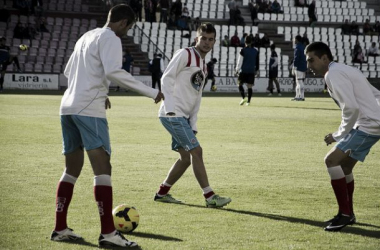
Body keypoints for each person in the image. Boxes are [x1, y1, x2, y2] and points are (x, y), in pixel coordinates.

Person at [51, 4, 164, 248]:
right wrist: (151, 91)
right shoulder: (111, 37)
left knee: (71, 169)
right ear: (124, 23)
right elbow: (114, 71)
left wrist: (100, 91)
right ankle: (108, 234)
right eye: (129, 27)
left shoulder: (87, 36)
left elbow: (69, 71)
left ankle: (60, 228)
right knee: (103, 168)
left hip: (67, 107)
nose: (127, 31)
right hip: (88, 111)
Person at [154, 22, 231, 208]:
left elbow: (197, 97)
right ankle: (209, 196)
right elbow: (166, 77)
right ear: (196, 38)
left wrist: (193, 123)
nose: (206, 42)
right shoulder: (185, 54)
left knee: (185, 159)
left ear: (214, 42)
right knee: (197, 152)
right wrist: (170, 108)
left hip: (183, 117)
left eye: (210, 39)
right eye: (203, 38)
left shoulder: (204, 67)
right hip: (173, 114)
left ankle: (162, 193)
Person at [305, 41, 380, 232]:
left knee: (331, 161)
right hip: (369, 123)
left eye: (311, 60)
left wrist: (338, 134)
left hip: (367, 125)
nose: (309, 66)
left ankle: (345, 215)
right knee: (344, 166)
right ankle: (349, 213)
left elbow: (352, 108)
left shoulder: (334, 73)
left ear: (324, 58)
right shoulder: (343, 69)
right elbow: (375, 93)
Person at [235, 35, 259, 106]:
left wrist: (237, 69)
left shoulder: (242, 50)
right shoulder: (255, 51)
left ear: (245, 42)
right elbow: (257, 62)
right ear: (251, 42)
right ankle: (248, 102)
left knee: (239, 84)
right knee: (249, 86)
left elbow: (240, 61)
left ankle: (243, 97)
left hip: (243, 70)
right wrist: (257, 70)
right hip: (251, 71)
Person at [291, 35, 307, 101]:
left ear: (297, 40)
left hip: (299, 66)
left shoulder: (297, 47)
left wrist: (294, 67)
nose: (293, 40)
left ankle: (301, 96)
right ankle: (297, 96)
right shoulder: (303, 47)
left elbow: (296, 58)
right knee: (299, 81)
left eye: (294, 39)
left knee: (299, 81)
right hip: (303, 66)